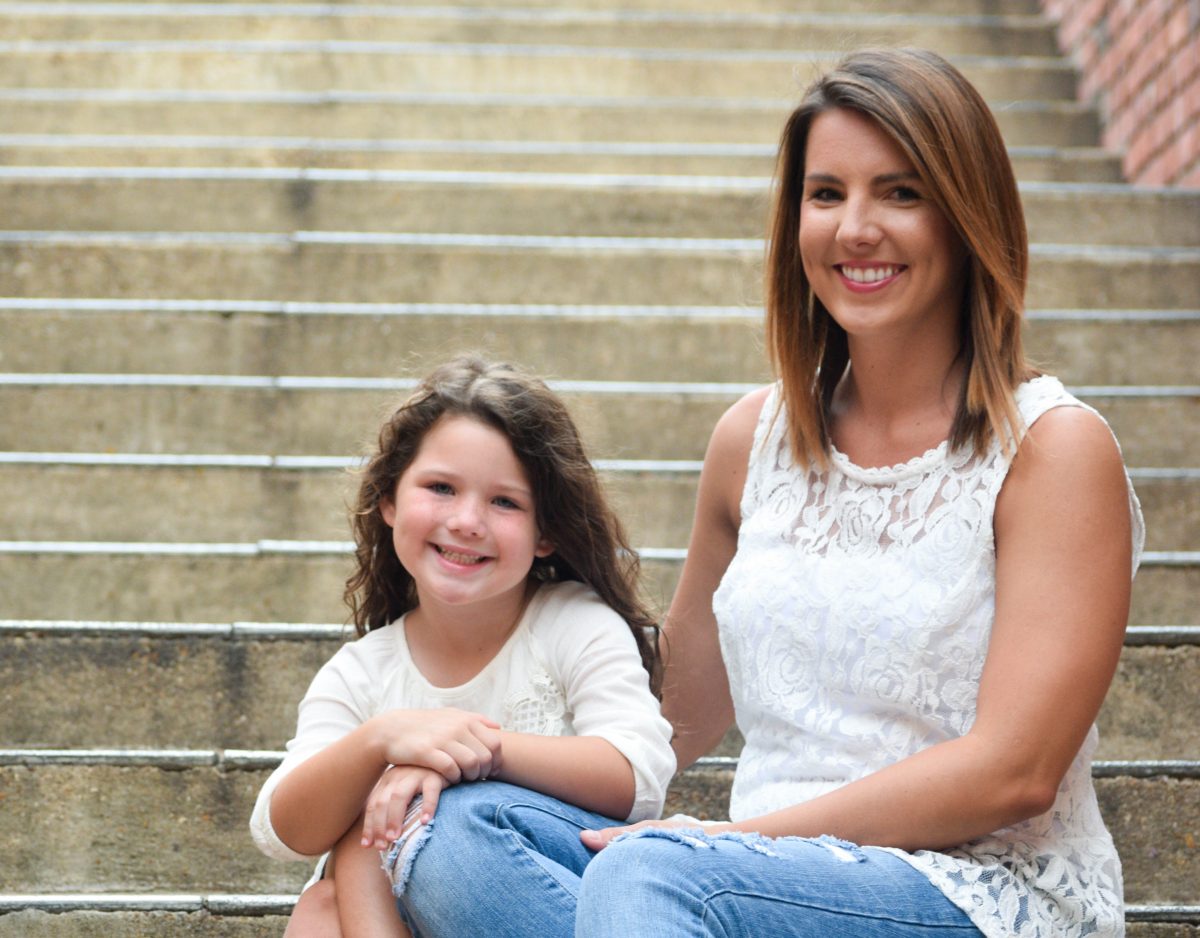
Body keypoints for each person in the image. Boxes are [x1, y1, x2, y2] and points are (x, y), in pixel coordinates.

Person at [394, 48, 1145, 938]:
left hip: (975, 893)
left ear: (966, 215)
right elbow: (665, 715)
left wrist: (730, 843)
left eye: (900, 193)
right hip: (734, 883)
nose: (854, 228)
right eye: (826, 195)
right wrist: (459, 749)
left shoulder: (1052, 451)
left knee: (655, 884)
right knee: (451, 830)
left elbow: (1013, 772)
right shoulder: (752, 441)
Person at [248, 356, 675, 937]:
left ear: (545, 532)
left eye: (505, 502)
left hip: (540, 891)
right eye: (441, 488)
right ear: (390, 501)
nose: (468, 520)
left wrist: (469, 754)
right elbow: (282, 829)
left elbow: (638, 778)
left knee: (417, 815)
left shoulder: (574, 623)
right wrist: (381, 744)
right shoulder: (362, 672)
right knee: (325, 900)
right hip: (398, 915)